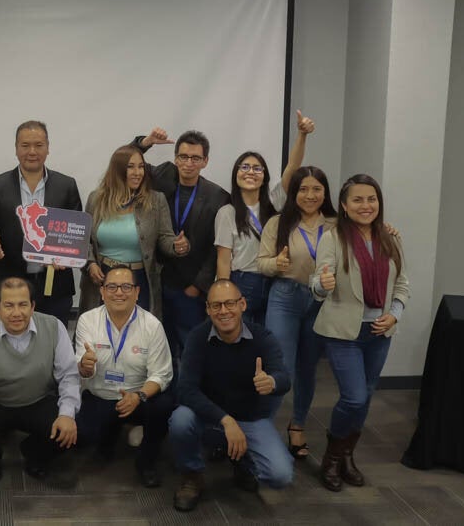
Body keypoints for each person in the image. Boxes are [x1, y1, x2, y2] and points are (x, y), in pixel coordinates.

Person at [312, 174, 409, 492]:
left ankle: (346, 456)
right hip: (343, 332)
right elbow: (317, 282)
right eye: (357, 199)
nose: (366, 205)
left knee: (364, 397)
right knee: (353, 397)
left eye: (372, 199)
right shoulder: (333, 237)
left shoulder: (390, 237)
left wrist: (393, 316)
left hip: (379, 332)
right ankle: (331, 457)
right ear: (343, 204)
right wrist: (322, 285)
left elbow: (402, 286)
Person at [170, 280, 293, 512]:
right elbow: (186, 390)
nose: (223, 311)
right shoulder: (198, 338)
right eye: (216, 305)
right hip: (209, 418)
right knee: (180, 420)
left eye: (229, 303)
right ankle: (192, 475)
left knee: (280, 475)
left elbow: (284, 377)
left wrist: (272, 381)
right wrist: (226, 420)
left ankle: (242, 461)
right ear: (207, 309)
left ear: (243, 304)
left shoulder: (262, 337)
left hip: (249, 418)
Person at [0, 277, 81, 485]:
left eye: (23, 304)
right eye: (8, 305)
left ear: (32, 306)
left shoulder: (53, 327)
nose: (16, 313)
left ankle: (34, 455)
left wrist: (67, 414)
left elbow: (69, 375)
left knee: (71, 428)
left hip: (38, 399)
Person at [256, 166, 336, 459]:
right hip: (285, 298)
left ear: (325, 193)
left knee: (307, 368)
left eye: (316, 189)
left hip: (322, 303)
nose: (310, 195)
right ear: (293, 193)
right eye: (303, 189)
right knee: (282, 368)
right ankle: (263, 429)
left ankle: (297, 425)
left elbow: (365, 238)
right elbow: (260, 263)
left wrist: (388, 230)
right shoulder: (278, 223)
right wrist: (275, 264)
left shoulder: (336, 226)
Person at [132, 128, 230, 362]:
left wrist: (198, 285)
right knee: (156, 347)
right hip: (156, 280)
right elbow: (126, 161)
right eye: (183, 157)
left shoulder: (218, 196)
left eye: (195, 158)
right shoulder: (162, 176)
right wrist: (144, 143)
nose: (188, 163)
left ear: (205, 161)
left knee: (190, 350)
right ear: (176, 158)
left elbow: (215, 248)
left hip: (191, 287)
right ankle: (164, 396)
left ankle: (187, 396)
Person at [74, 266, 175, 488]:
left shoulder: (152, 325)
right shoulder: (87, 320)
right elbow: (81, 366)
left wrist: (138, 396)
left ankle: (146, 462)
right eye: (111, 286)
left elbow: (162, 374)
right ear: (102, 291)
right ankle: (108, 438)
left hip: (137, 397)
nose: (119, 292)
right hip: (100, 395)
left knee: (164, 405)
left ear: (137, 292)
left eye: (126, 287)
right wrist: (85, 366)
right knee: (81, 437)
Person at [0, 120, 83, 327]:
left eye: (38, 145)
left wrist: (67, 256)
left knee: (54, 346)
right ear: (16, 148)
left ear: (48, 148)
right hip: (11, 284)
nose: (32, 151)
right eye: (25, 145)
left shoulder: (66, 185)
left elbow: (77, 234)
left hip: (55, 285)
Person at [214, 111, 315, 324]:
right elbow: (223, 260)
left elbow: (292, 168)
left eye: (257, 168)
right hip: (243, 283)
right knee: (243, 339)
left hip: (275, 281)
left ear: (264, 177)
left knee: (268, 341)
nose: (251, 172)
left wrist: (302, 135)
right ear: (236, 174)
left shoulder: (274, 202)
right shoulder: (227, 213)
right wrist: (224, 297)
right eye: (245, 167)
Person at [79, 144, 186, 318]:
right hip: (102, 277)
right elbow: (84, 241)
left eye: (141, 167)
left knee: (138, 338)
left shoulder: (156, 200)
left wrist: (177, 245)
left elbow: (165, 238)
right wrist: (90, 263)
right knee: (99, 335)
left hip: (139, 279)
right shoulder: (96, 199)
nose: (138, 172)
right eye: (131, 167)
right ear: (117, 170)